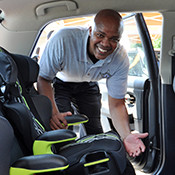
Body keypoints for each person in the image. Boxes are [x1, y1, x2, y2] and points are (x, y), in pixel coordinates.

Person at [37, 9, 148, 157]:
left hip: (88, 84)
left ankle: (94, 164)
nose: (105, 44)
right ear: (90, 30)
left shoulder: (120, 58)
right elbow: (43, 78)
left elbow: (116, 104)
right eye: (100, 35)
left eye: (114, 39)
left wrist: (126, 135)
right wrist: (53, 112)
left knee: (94, 129)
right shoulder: (63, 39)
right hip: (61, 82)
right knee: (61, 129)